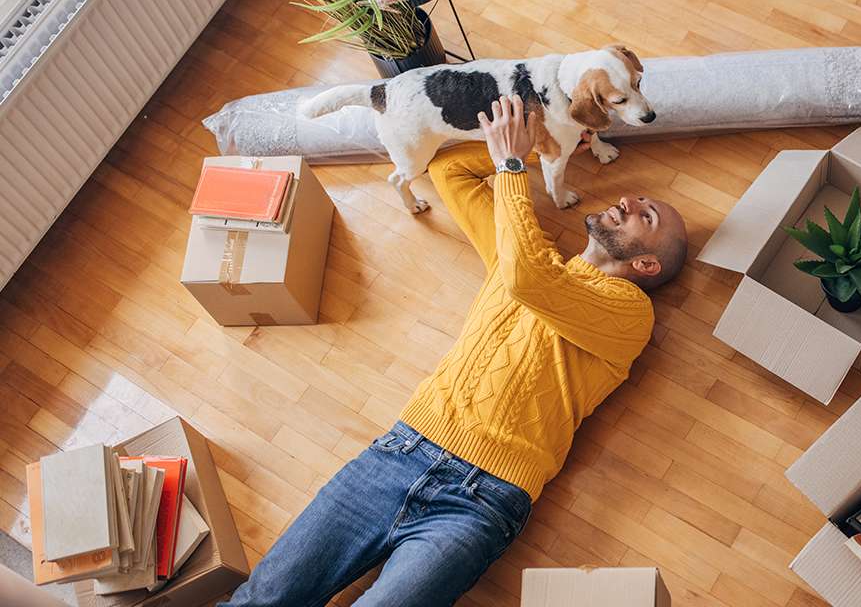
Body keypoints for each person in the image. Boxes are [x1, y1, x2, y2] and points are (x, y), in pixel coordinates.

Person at [220, 95, 688, 607]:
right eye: (638, 199)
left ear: (646, 265)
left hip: (482, 500)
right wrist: (540, 145)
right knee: (259, 601)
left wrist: (512, 168)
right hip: (396, 455)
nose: (630, 201)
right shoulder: (521, 250)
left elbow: (528, 280)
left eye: (647, 216)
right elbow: (450, 173)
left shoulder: (630, 315)